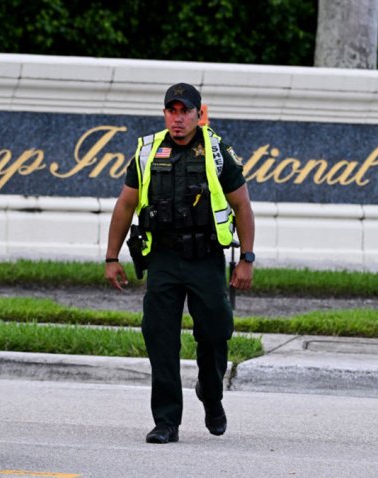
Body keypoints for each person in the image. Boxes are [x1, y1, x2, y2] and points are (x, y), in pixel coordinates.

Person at [104, 83, 255, 444]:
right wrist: (111, 257)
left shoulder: (218, 151)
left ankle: (211, 393)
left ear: (197, 114)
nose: (178, 118)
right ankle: (166, 421)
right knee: (160, 338)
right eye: (171, 111)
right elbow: (125, 205)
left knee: (216, 331)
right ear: (165, 114)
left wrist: (246, 259)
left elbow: (242, 207)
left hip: (205, 258)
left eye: (185, 111)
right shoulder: (146, 151)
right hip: (164, 259)